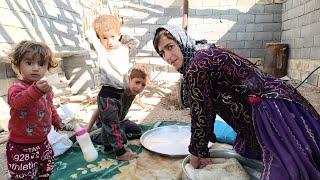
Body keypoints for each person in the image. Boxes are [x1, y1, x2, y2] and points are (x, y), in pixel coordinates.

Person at [153, 25, 320, 179]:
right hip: (277, 98)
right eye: (162, 53)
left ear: (181, 41)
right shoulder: (202, 52)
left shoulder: (196, 66)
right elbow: (207, 107)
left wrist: (196, 156)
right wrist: (202, 150)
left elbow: (201, 115)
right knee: (301, 152)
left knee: (288, 166)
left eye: (170, 46)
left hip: (270, 109)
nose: (168, 56)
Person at [6, 40, 63, 179]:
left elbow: (49, 105)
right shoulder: (17, 87)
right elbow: (17, 103)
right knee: (23, 175)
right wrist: (36, 90)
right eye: (29, 63)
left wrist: (56, 119)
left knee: (46, 167)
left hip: (42, 142)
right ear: (18, 65)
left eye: (41, 64)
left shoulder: (45, 89)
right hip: (20, 145)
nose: (36, 68)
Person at [87, 64, 151, 161]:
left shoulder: (133, 91)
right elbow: (99, 108)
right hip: (106, 123)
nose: (139, 88)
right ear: (129, 79)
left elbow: (137, 97)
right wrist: (88, 127)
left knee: (136, 129)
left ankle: (118, 130)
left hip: (119, 121)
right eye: (137, 82)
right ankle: (96, 136)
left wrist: (145, 106)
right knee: (122, 139)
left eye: (143, 85)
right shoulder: (119, 90)